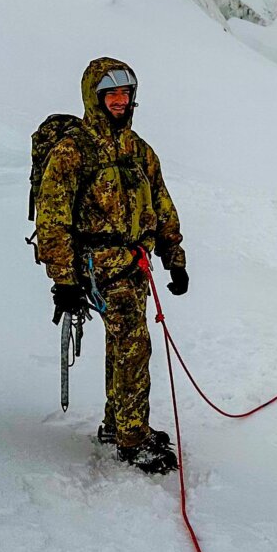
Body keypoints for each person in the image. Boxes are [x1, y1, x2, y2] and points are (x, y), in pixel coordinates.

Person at [35, 58, 188, 475]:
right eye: (112, 94)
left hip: (133, 263)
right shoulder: (73, 150)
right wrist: (64, 280)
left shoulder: (138, 149)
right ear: (95, 97)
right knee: (134, 345)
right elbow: (53, 219)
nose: (120, 101)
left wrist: (174, 258)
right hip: (97, 265)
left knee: (124, 346)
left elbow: (161, 203)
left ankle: (117, 424)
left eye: (126, 94)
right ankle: (132, 438)